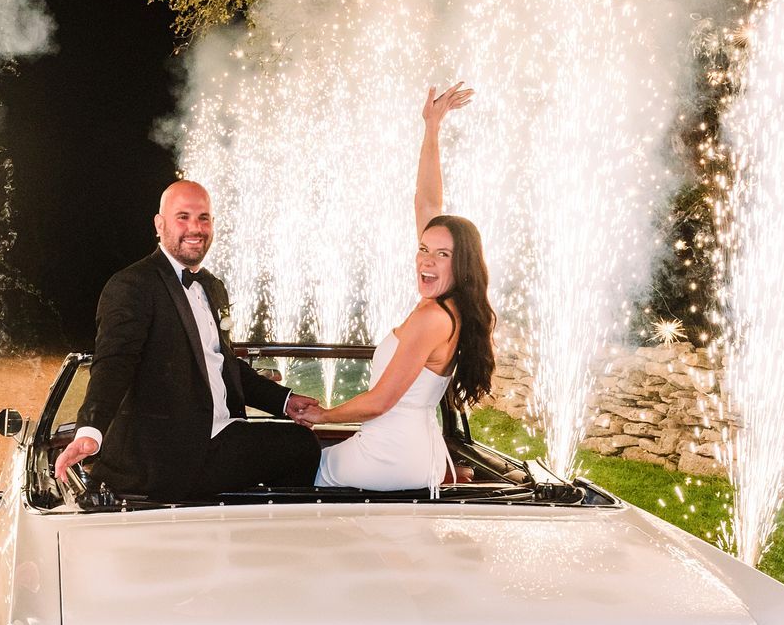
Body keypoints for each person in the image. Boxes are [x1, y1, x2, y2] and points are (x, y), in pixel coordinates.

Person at [53, 180, 321, 501]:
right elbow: (114, 363)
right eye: (183, 217)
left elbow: (223, 364)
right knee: (300, 448)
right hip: (169, 455)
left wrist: (284, 401)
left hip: (222, 434)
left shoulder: (213, 286)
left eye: (203, 218)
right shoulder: (132, 284)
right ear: (159, 224)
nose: (195, 228)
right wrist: (90, 430)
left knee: (300, 443)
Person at [295, 82, 497, 490]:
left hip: (389, 455)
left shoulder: (431, 316)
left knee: (290, 467)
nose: (426, 259)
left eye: (442, 254)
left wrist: (322, 416)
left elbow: (381, 402)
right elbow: (427, 203)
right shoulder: (454, 306)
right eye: (424, 249)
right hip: (412, 450)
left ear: (462, 264)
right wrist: (431, 127)